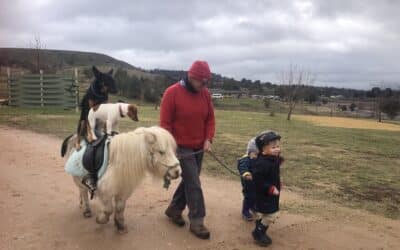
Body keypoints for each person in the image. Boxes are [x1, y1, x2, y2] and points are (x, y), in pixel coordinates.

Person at [160, 60, 215, 239]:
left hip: (199, 147)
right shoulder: (172, 93)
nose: (204, 85)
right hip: (181, 147)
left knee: (189, 181)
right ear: (191, 77)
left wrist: (208, 139)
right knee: (194, 184)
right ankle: (197, 221)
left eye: (206, 82)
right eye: (202, 81)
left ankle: (174, 210)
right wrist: (170, 148)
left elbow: (210, 119)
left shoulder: (205, 94)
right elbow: (165, 125)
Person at [251, 131, 284, 247]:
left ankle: (259, 226)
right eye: (273, 147)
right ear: (263, 150)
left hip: (271, 194)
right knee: (271, 215)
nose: (277, 149)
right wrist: (270, 188)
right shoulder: (262, 163)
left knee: (265, 213)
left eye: (278, 146)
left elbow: (273, 175)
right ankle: (258, 232)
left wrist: (278, 182)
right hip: (265, 195)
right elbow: (258, 181)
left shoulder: (272, 160)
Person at [237, 137, 258, 221]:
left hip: (256, 182)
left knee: (256, 196)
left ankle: (253, 207)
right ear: (250, 152)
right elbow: (242, 168)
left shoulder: (258, 159)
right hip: (248, 183)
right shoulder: (244, 160)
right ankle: (245, 211)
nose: (257, 156)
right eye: (255, 154)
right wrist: (246, 174)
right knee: (249, 196)